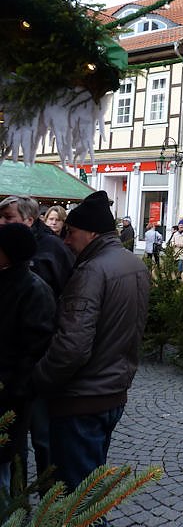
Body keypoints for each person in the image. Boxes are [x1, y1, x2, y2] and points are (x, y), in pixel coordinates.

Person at [32, 190, 150, 494]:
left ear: (91, 232)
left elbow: (72, 347)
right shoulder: (132, 263)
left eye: (71, 233)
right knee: (89, 489)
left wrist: (38, 379)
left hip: (81, 400)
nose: (67, 240)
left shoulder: (91, 271)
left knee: (76, 500)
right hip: (112, 392)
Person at [0, 195, 74, 484]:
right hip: (14, 380)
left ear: (29, 220)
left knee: (40, 438)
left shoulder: (37, 275)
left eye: (8, 218)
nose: (2, 223)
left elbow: (40, 339)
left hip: (28, 380)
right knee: (13, 450)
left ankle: (46, 498)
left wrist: (21, 384)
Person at [0, 223, 56, 495]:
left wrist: (16, 389)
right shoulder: (7, 280)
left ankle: (15, 511)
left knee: (13, 460)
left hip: (11, 397)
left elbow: (36, 348)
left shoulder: (34, 289)